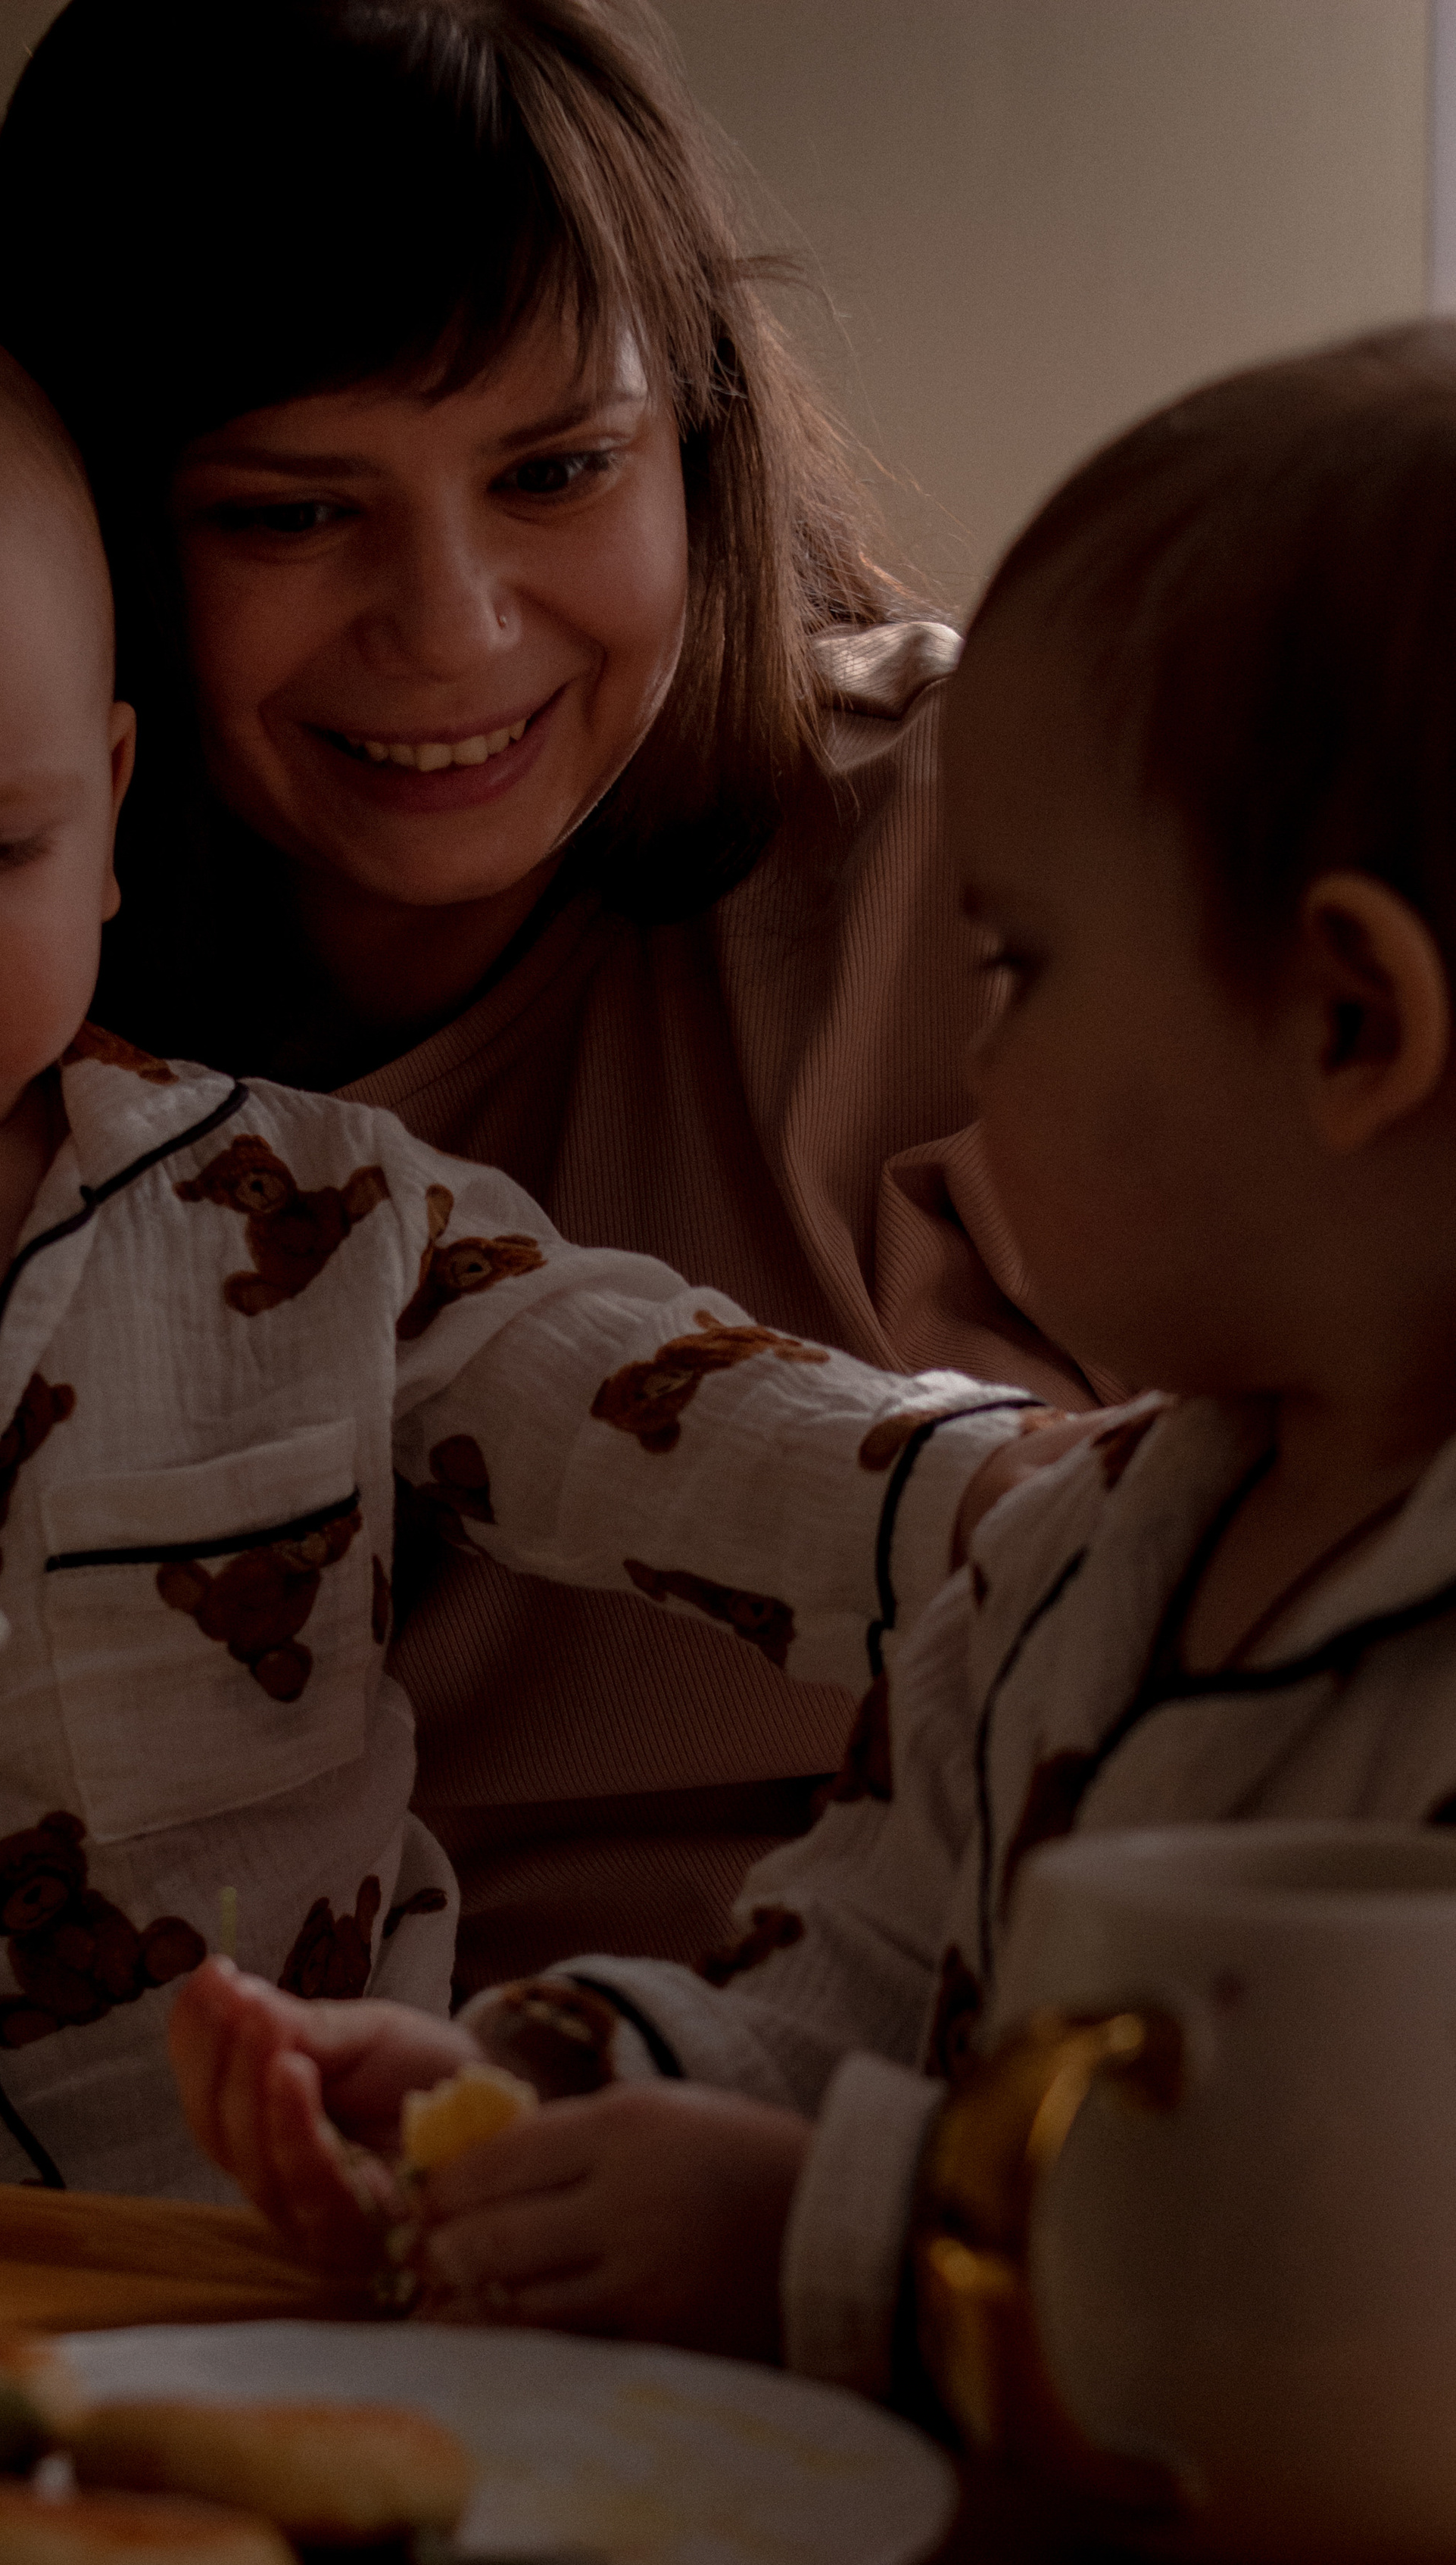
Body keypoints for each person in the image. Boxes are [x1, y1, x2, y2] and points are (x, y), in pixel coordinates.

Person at [0, 272, 1037, 2192]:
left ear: (110, 809)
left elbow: (662, 1412)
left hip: (275, 2237)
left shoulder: (299, 1214)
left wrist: (1028, 1505)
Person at [173, 317, 1456, 2369]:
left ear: (1352, 1024)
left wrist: (832, 2233)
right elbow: (846, 1977)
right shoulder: (1072, 1557)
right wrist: (544, 2100)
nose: (969, 1050)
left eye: (1019, 965)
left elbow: (1358, 2304)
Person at [0, 0, 1102, 1996]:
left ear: (699, 439)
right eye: (293, 513)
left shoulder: (992, 856)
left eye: (559, 471)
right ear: (88, 531)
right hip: (169, 2208)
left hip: (892, 2154)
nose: (456, 627)